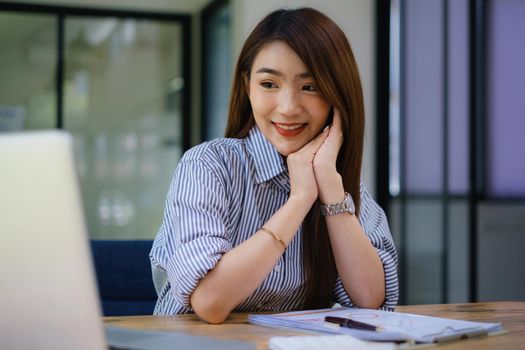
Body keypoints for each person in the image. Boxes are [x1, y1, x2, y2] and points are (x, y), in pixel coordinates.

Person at [150, 7, 398, 324]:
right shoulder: (208, 165)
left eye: (310, 87)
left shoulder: (341, 187)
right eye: (269, 84)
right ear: (247, 85)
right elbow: (210, 301)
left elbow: (369, 299)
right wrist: (299, 199)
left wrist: (328, 185)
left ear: (337, 98)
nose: (288, 107)